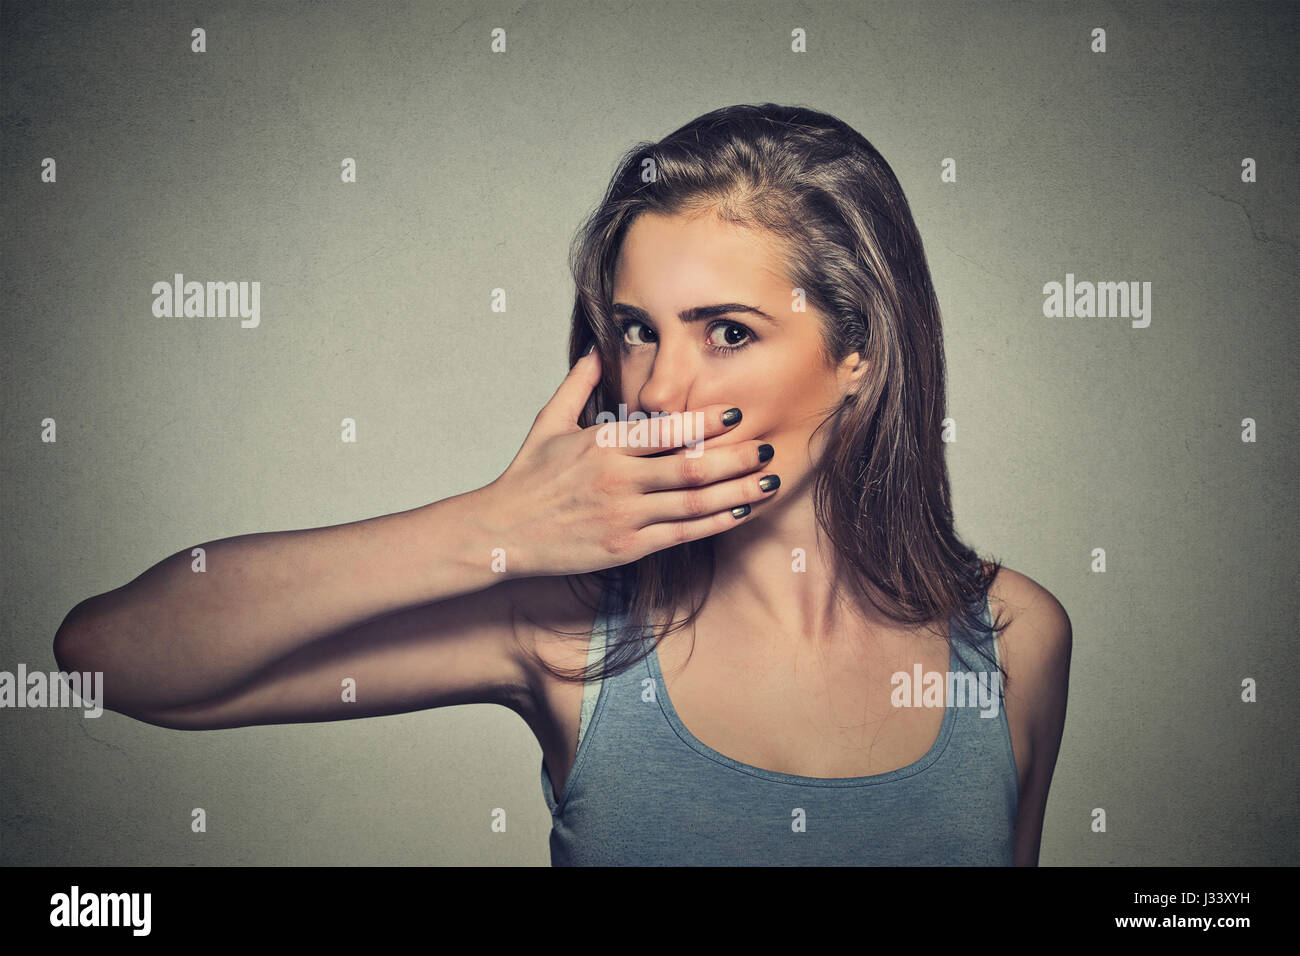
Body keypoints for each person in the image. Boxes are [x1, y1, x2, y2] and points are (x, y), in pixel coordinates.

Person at [53, 103, 1071, 866]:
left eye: (728, 331)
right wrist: (492, 524)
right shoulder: (569, 628)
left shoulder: (1013, 637)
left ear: (860, 352)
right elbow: (106, 658)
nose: (662, 388)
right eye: (637, 329)